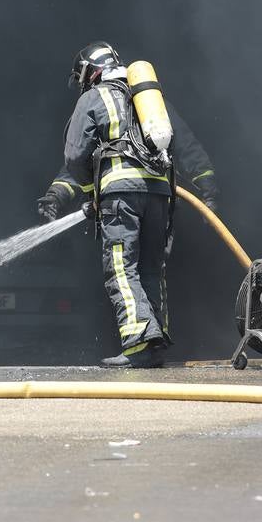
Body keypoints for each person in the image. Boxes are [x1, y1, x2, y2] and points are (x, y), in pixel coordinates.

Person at [38, 42, 218, 368]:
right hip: (161, 198)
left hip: (121, 197)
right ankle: (155, 345)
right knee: (151, 268)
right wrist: (208, 189)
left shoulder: (93, 98)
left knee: (121, 269)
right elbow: (188, 146)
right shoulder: (149, 102)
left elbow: (76, 156)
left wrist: (89, 192)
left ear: (91, 72)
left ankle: (138, 341)